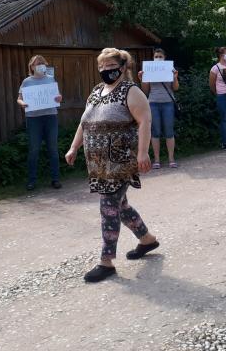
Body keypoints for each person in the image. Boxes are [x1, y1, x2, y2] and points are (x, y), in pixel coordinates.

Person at [65, 48, 159, 283]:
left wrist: (142, 153)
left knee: (108, 208)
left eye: (110, 66)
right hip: (98, 164)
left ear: (122, 66)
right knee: (120, 205)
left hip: (120, 161)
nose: (106, 71)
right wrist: (74, 147)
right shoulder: (97, 91)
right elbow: (84, 122)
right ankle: (147, 240)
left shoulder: (131, 91)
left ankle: (106, 262)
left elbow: (145, 120)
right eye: (102, 67)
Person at [17, 55, 63, 191]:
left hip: (51, 117)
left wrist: (59, 97)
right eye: (37, 64)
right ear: (31, 66)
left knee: (53, 149)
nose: (39, 65)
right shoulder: (27, 81)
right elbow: (19, 99)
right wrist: (23, 103)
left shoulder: (50, 79)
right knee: (34, 150)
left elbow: (58, 96)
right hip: (33, 119)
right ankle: (31, 181)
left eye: (42, 63)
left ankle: (55, 179)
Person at [138, 48, 179, 168]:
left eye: (160, 56)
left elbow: (175, 88)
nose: (158, 58)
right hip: (153, 103)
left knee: (169, 131)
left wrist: (175, 77)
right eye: (156, 56)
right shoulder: (149, 70)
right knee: (155, 132)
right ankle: (157, 160)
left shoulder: (170, 69)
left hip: (168, 103)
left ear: (165, 58)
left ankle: (171, 159)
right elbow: (145, 91)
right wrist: (142, 79)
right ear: (153, 58)